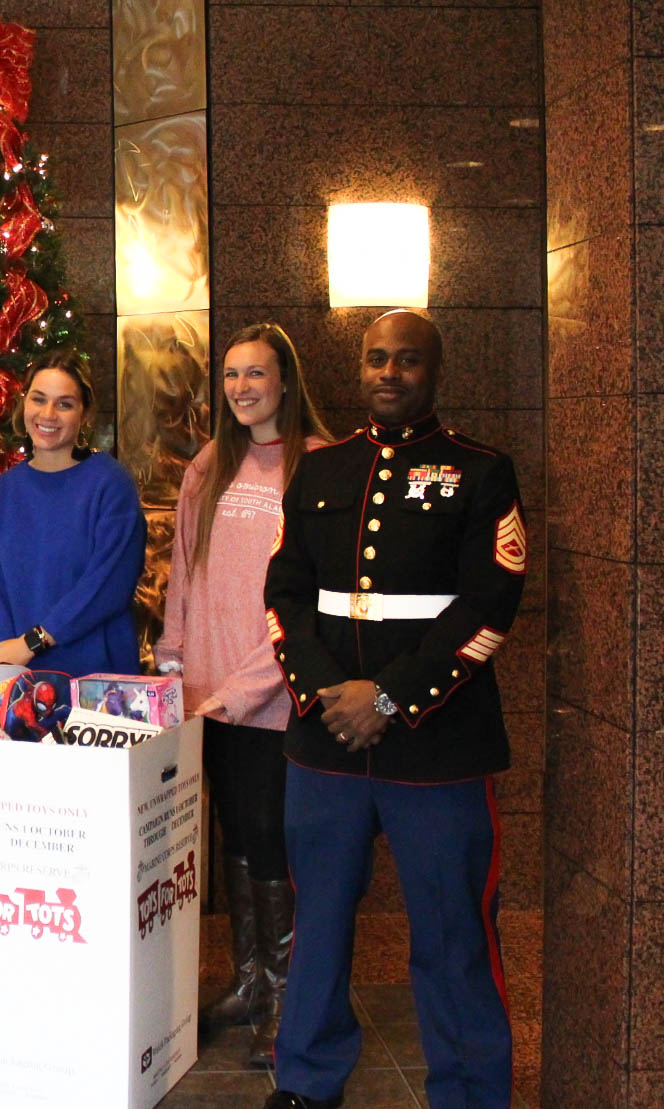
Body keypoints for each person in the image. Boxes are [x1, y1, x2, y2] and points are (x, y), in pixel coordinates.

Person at [261, 311, 525, 1109]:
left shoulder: (481, 472)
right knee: (319, 932)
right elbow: (284, 595)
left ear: (433, 371)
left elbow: (489, 607)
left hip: (437, 748)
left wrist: (387, 696)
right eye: (377, 358)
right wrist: (322, 692)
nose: (389, 372)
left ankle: (472, 1092)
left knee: (454, 935)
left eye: (407, 360)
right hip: (326, 746)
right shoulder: (321, 470)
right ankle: (306, 1083)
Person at [155, 322, 331, 1067]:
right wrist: (173, 660)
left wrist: (245, 686)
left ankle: (290, 999)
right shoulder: (209, 464)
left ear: (285, 382)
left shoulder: (318, 466)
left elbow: (310, 600)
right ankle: (249, 982)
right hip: (205, 696)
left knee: (272, 838)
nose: (241, 389)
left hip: (271, 697)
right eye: (230, 376)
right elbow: (185, 576)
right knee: (231, 835)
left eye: (255, 374)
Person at [0, 349, 146, 677]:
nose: (48, 414)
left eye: (64, 404)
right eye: (38, 400)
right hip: (21, 682)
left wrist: (33, 642)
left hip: (97, 684)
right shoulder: (0, 494)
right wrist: (4, 664)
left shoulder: (110, 484)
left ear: (85, 414)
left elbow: (108, 585)